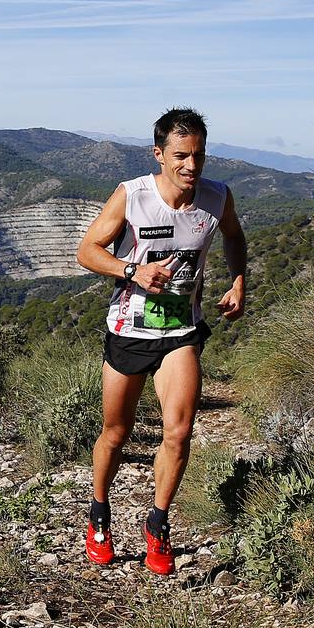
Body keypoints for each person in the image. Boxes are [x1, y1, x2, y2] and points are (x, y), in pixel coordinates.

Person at [74, 108, 247, 575]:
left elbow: (233, 236)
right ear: (159, 155)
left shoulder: (217, 197)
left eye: (199, 156)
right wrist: (133, 270)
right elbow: (87, 251)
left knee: (179, 432)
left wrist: (238, 280)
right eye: (181, 157)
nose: (192, 166)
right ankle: (99, 512)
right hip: (129, 330)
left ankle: (158, 523)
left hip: (180, 331)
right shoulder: (132, 196)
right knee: (116, 432)